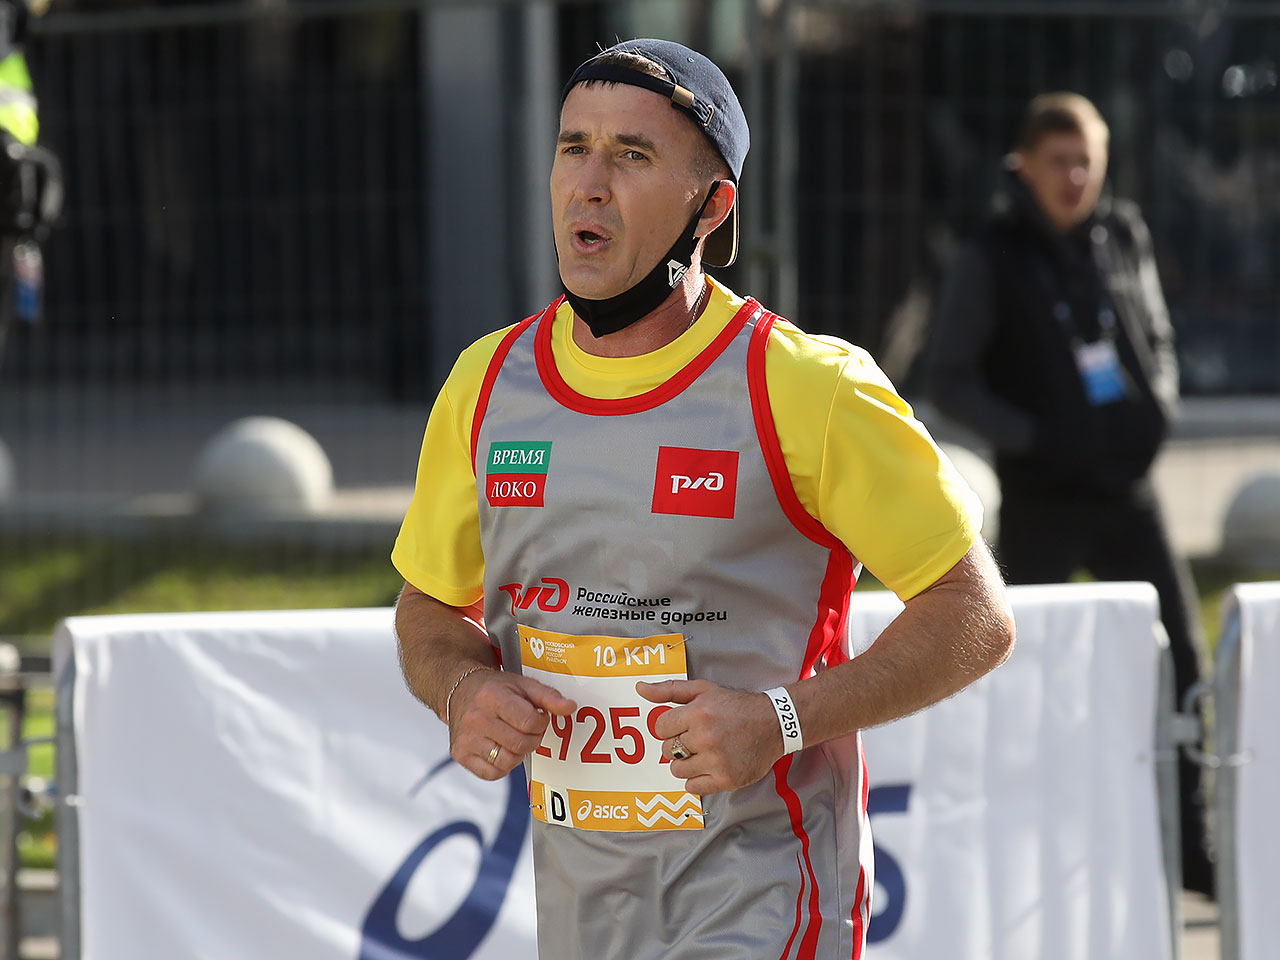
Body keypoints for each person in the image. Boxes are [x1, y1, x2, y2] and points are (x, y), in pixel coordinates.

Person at [392, 39, 1015, 958]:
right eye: (574, 147)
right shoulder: (488, 383)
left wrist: (779, 722)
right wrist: (461, 689)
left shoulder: (805, 386)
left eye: (632, 156)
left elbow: (975, 615)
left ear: (712, 206)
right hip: (585, 910)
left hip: (763, 897)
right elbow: (429, 610)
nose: (589, 185)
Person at [927, 92, 1214, 895]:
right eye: (1059, 161)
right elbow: (950, 379)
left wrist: (1159, 401)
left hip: (1128, 491)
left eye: (1087, 161)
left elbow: (1157, 334)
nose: (1075, 177)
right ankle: (1018, 853)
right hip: (1044, 499)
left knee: (1183, 659)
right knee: (1022, 673)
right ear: (1024, 166)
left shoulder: (1122, 234)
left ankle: (1193, 850)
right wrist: (1033, 438)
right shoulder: (991, 253)